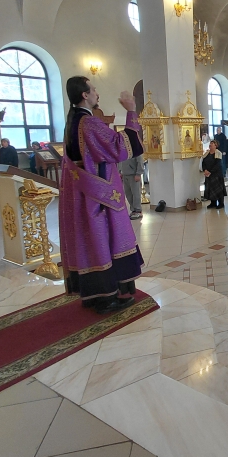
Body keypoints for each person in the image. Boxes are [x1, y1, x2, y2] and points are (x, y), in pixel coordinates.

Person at [59, 77, 144, 314]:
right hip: (97, 196)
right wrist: (131, 112)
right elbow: (120, 147)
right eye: (93, 89)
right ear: (84, 95)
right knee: (102, 239)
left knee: (88, 241)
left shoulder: (72, 121)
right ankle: (107, 298)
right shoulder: (88, 123)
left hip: (82, 194)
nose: (97, 93)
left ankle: (93, 294)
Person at [118, 151, 144, 220]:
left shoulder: (136, 150)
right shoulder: (123, 150)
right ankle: (133, 210)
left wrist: (138, 174)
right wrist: (120, 171)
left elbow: (140, 162)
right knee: (128, 194)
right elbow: (120, 162)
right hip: (125, 175)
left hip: (133, 175)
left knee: (136, 194)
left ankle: (138, 210)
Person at [201, 140, 225, 209]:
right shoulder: (207, 153)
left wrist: (210, 171)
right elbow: (203, 163)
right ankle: (213, 203)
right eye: (210, 143)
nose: (210, 144)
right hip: (208, 174)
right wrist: (205, 170)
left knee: (218, 189)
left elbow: (218, 164)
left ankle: (221, 203)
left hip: (216, 174)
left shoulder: (218, 153)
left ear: (216, 145)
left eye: (212, 143)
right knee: (210, 189)